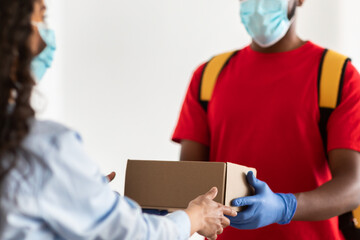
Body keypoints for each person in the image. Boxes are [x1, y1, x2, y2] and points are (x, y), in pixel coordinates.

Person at [0, 0, 237, 239]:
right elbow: (134, 235)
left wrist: (83, 196)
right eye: (42, 17)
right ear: (16, 31)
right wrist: (195, 217)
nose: (45, 40)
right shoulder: (46, 147)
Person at [172, 0, 360, 239]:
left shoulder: (337, 76)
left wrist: (285, 206)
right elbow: (189, 180)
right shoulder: (207, 77)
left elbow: (353, 187)